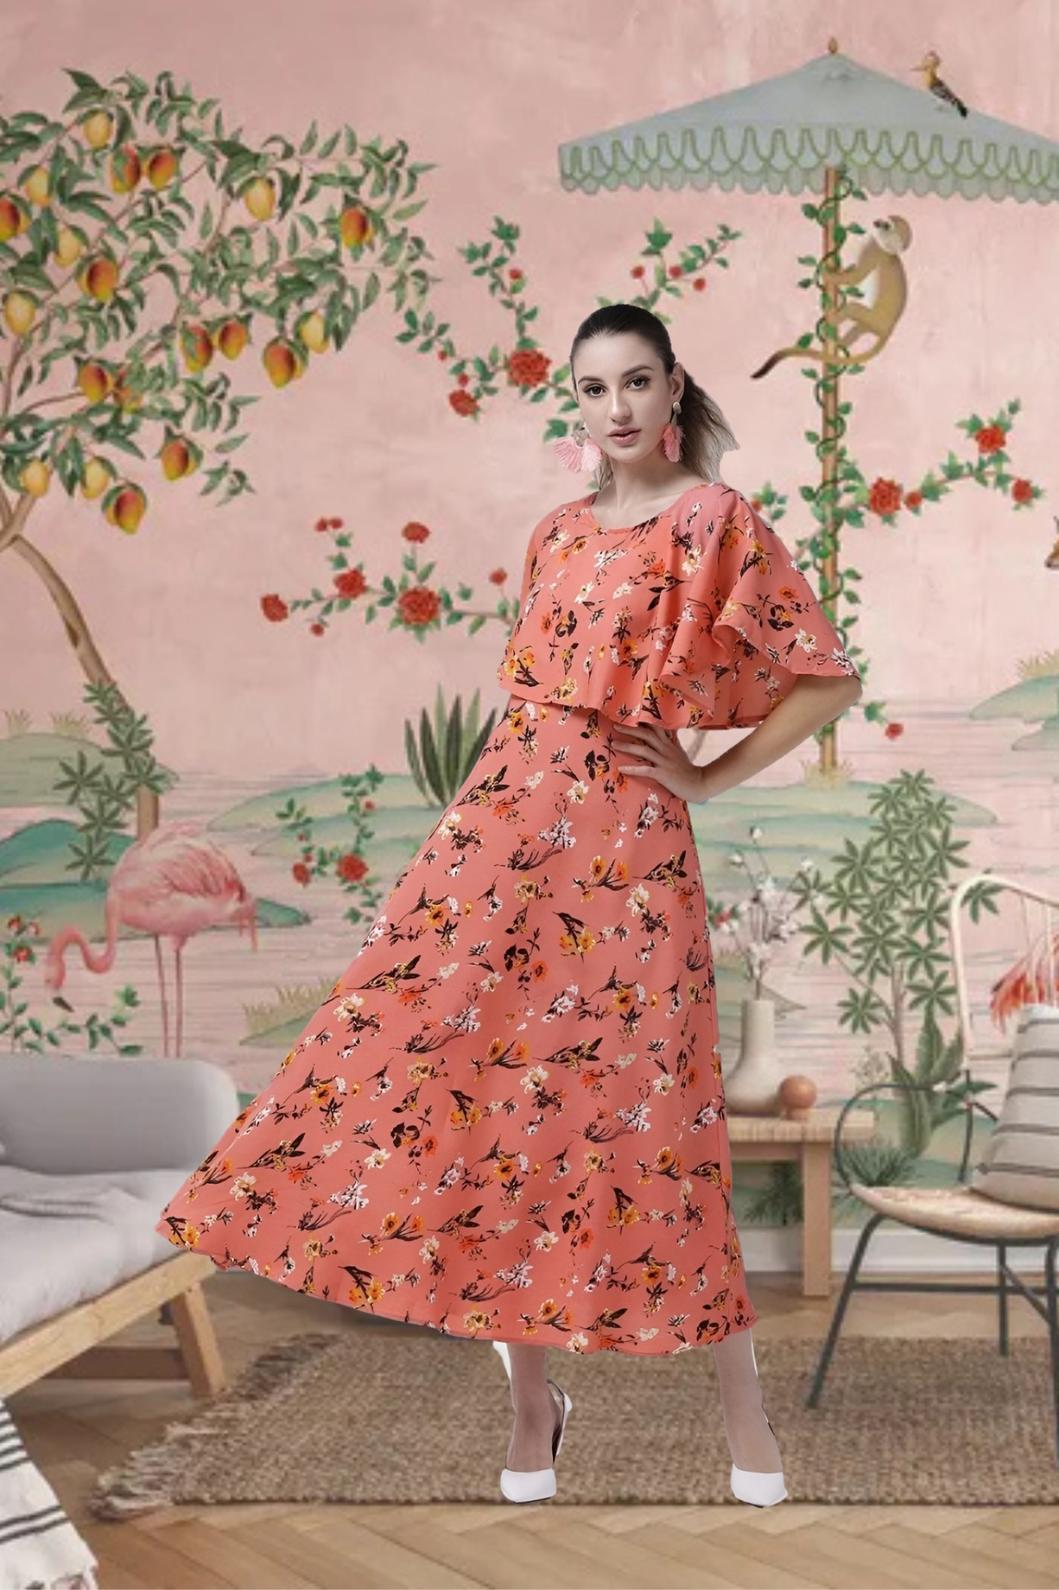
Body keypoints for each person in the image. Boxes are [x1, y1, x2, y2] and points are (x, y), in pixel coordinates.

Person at [155, 301, 861, 1508]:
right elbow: (523, 711)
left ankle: (743, 1409)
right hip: (502, 834)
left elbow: (825, 681)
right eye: (596, 389)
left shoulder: (714, 521)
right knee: (486, 1113)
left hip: (629, 853)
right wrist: (461, 849)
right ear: (577, 404)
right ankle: (534, 1407)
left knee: (661, 1130)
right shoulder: (555, 535)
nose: (621, 408)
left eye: (640, 382)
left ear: (676, 387)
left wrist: (703, 773)